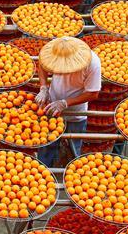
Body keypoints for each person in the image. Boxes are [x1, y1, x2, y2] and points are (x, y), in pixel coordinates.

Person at [35, 36, 102, 168]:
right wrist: (43, 88)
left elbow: (93, 93)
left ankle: (71, 174)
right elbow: (42, 66)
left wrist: (65, 103)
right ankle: (44, 172)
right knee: (47, 145)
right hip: (51, 107)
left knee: (73, 150)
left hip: (76, 113)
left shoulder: (92, 64)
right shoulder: (54, 54)